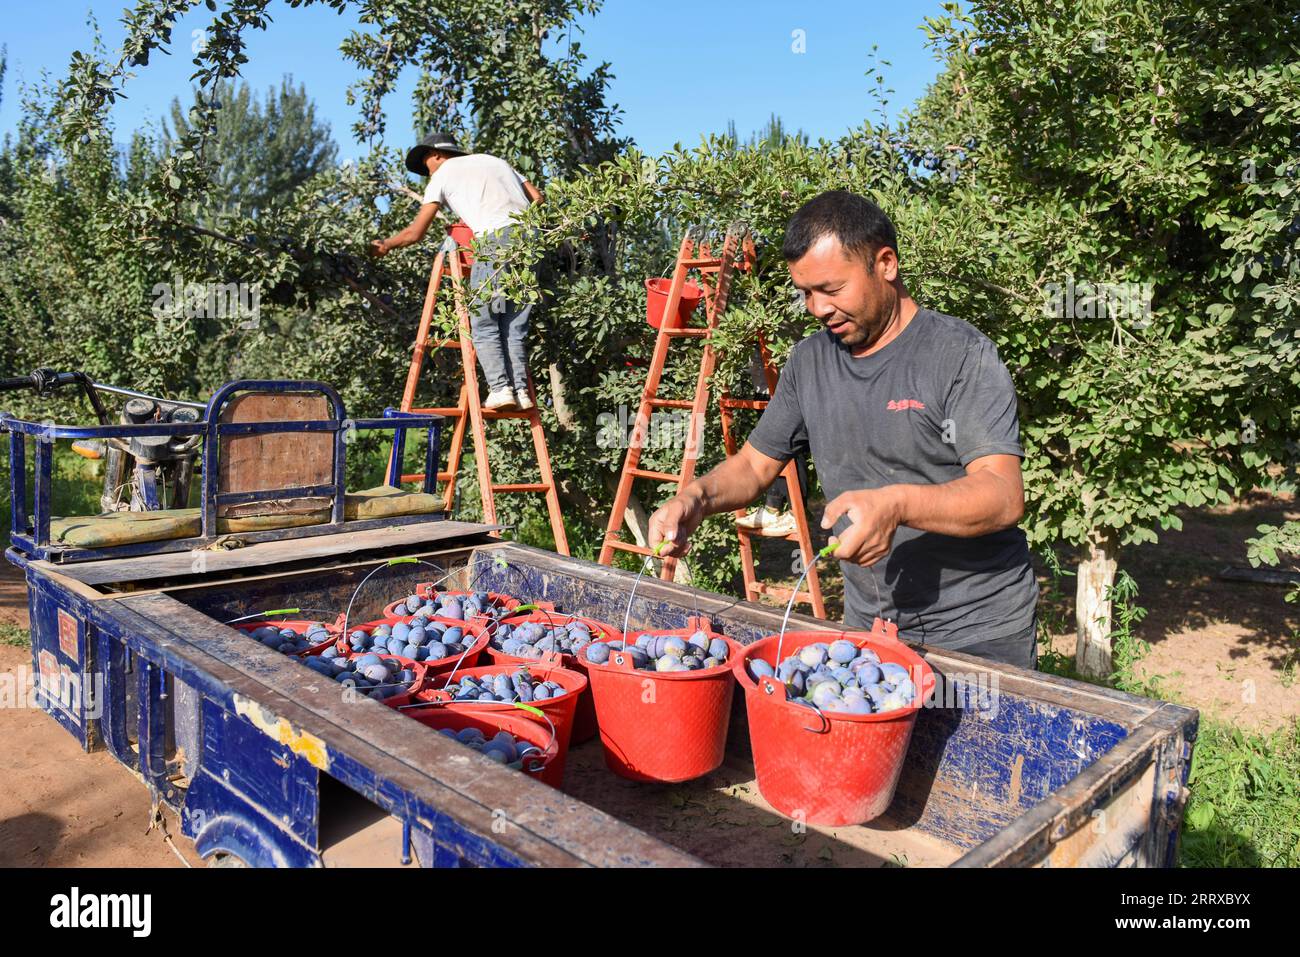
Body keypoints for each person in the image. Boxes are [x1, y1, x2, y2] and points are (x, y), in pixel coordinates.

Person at [648, 190, 1039, 668]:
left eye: (831, 290)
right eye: (805, 293)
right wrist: (695, 499)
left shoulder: (959, 355)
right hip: (871, 630)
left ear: (886, 264)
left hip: (976, 635)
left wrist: (896, 506)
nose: (816, 308)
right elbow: (753, 465)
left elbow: (1002, 494)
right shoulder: (810, 363)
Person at [370, 132, 544, 411]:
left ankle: (500, 389)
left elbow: (415, 233)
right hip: (531, 241)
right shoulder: (496, 161)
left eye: (425, 163)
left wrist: (386, 245)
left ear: (436, 155)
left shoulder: (443, 173)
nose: (427, 172)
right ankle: (521, 391)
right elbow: (537, 197)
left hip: (496, 240)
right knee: (513, 324)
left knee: (484, 322)